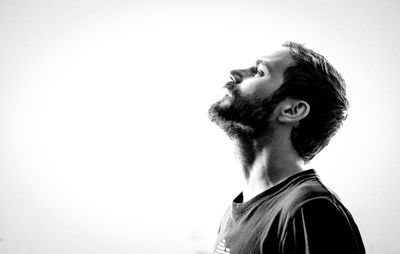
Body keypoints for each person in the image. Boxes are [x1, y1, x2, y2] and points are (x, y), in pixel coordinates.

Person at [208, 41, 365, 254]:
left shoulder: (311, 210)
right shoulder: (235, 211)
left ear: (293, 110)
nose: (235, 73)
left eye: (259, 72)